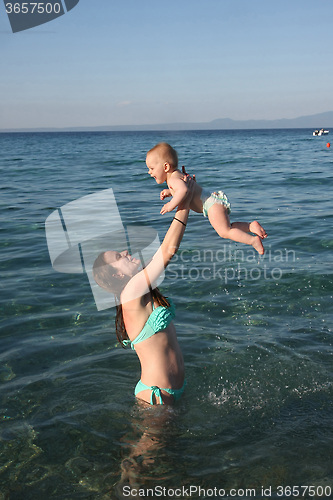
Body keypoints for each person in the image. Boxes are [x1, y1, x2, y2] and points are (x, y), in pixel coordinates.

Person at [92, 176, 195, 406]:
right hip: (155, 397)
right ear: (117, 275)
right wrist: (185, 200)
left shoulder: (140, 287)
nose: (126, 251)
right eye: (119, 257)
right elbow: (168, 250)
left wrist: (184, 192)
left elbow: (167, 249)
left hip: (171, 393)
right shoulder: (131, 292)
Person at [146, 142, 267, 255]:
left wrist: (170, 205)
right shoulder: (175, 176)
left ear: (166, 166)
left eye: (151, 168)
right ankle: (250, 226)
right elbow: (182, 189)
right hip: (212, 201)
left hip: (211, 205)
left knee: (224, 232)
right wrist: (169, 192)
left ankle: (252, 241)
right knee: (228, 228)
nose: (149, 172)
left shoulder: (173, 179)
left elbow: (183, 190)